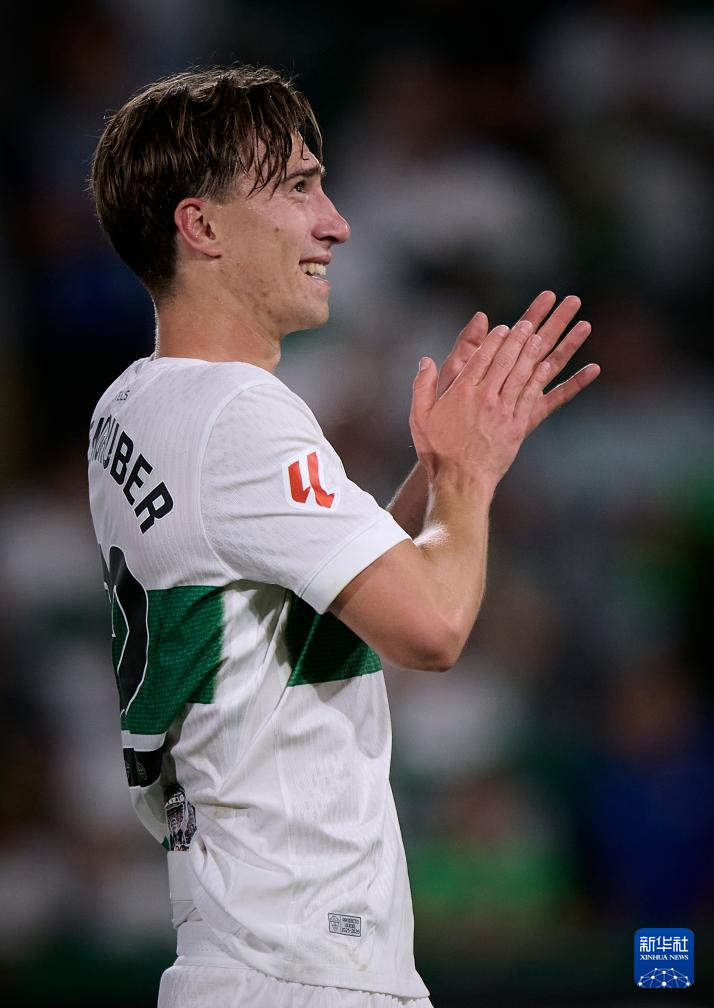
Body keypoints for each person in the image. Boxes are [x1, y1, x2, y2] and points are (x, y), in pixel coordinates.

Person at [87, 65, 599, 1008]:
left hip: (236, 950)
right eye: (297, 187)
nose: (336, 223)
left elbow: (315, 608)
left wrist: (435, 470)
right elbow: (431, 628)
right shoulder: (239, 414)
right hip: (302, 965)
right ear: (201, 227)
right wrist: (471, 475)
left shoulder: (131, 404)